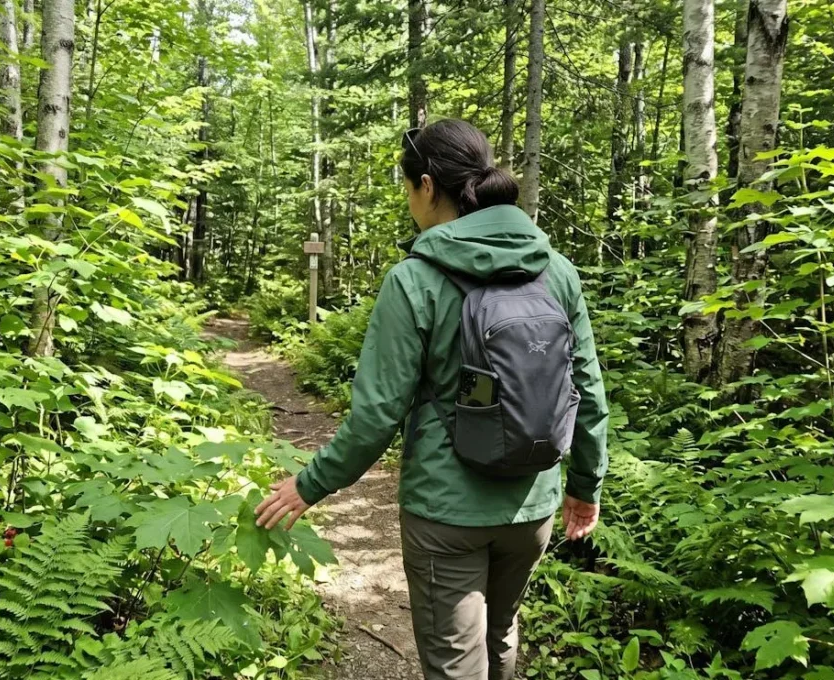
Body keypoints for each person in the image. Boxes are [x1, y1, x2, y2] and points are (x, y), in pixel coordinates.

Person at [255, 118, 610, 680]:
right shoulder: (556, 271)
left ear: (426, 185)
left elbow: (376, 415)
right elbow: (586, 390)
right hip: (533, 504)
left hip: (447, 512)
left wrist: (309, 483)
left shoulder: (413, 280)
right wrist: (584, 487)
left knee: (453, 662)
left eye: (406, 188)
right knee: (500, 633)